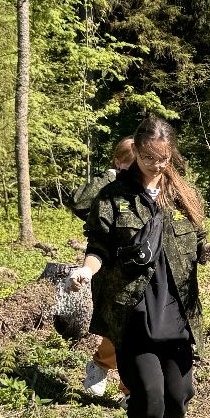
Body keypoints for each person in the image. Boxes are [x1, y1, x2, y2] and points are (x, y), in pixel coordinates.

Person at [69, 118, 210, 418]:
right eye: (149, 158)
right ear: (137, 152)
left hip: (177, 311)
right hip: (134, 312)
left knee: (177, 399)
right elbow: (97, 249)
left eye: (164, 158)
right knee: (149, 394)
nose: (158, 165)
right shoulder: (113, 198)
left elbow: (199, 252)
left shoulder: (183, 196)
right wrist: (86, 270)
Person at [80, 137, 136, 398]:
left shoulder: (144, 190)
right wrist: (108, 178)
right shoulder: (108, 189)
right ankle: (100, 365)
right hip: (108, 268)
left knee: (134, 334)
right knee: (117, 331)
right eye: (129, 164)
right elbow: (80, 202)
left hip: (137, 269)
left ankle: (128, 390)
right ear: (118, 161)